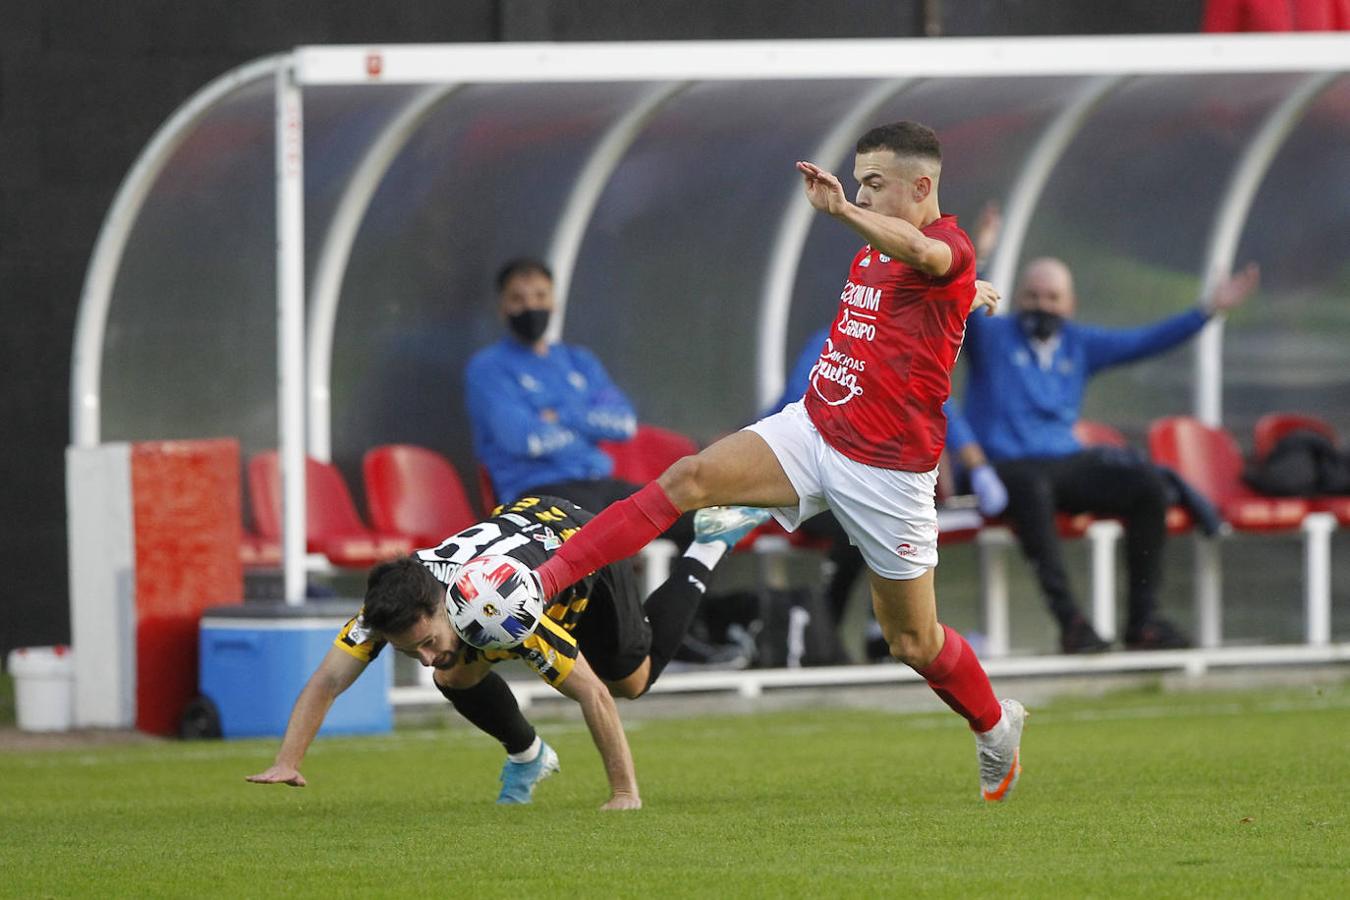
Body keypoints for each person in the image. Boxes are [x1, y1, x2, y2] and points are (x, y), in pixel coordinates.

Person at [491, 121, 1025, 803]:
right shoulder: (882, 252)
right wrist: (965, 291)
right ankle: (545, 579)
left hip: (888, 473)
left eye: (872, 184)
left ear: (920, 186)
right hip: (814, 428)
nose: (858, 192)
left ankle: (995, 725)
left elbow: (930, 253)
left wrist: (855, 217)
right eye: (856, 181)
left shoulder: (941, 241)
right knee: (687, 478)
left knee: (912, 641)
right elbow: (925, 289)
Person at [246, 494, 761, 810]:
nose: (423, 658)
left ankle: (707, 546)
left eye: (426, 642)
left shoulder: (500, 610)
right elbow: (329, 680)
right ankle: (528, 756)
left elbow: (593, 696)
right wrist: (287, 760)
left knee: (631, 682)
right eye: (410, 651)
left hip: (582, 551)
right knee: (452, 674)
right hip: (522, 524)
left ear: (447, 606)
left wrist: (625, 793)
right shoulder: (392, 605)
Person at [946, 256, 1260, 653]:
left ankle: (1143, 622)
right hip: (1005, 468)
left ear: (1069, 305)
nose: (1041, 305)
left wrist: (1207, 311)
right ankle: (1072, 623)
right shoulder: (991, 335)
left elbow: (1144, 341)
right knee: (1032, 486)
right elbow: (959, 301)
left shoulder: (1080, 345)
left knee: (1147, 486)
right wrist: (977, 256)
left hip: (1064, 462)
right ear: (1015, 298)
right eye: (1032, 295)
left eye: (1052, 297)